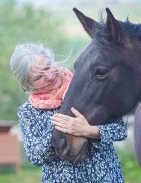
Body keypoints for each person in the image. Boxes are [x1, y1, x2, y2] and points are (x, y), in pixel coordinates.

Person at [10, 43, 128, 183]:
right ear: (26, 85)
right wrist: (61, 119)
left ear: (53, 59)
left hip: (107, 178)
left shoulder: (89, 88)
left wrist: (90, 131)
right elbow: (35, 156)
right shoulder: (27, 111)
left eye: (48, 66)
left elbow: (121, 130)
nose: (49, 76)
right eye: (38, 77)